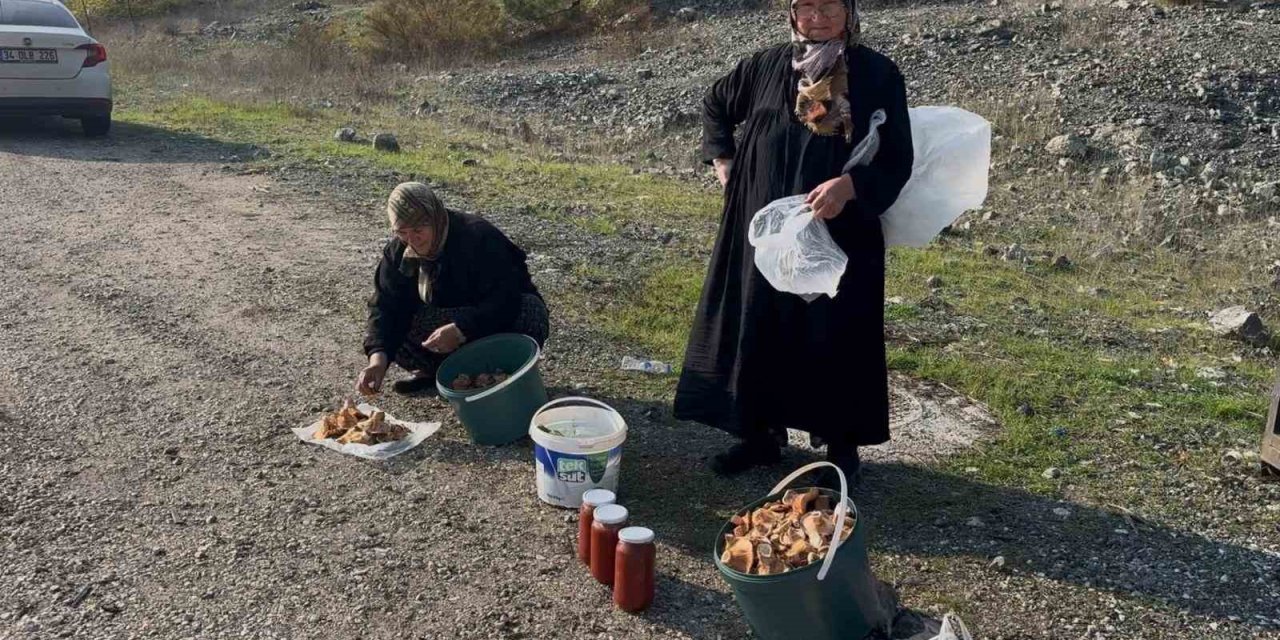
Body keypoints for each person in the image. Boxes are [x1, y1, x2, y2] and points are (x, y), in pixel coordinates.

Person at [673, 0, 914, 484]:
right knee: (759, 320)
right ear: (791, 13)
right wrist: (723, 159)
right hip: (764, 227)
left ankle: (841, 450)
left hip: (839, 230)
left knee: (834, 327)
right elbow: (716, 104)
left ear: (849, 12)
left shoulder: (876, 73)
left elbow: (898, 157)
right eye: (807, 6)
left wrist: (851, 188)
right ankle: (759, 437)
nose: (818, 17)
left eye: (830, 7)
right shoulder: (765, 66)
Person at [356, 182, 548, 396]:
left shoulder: (478, 237)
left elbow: (507, 297)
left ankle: (505, 373)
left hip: (490, 323)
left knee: (530, 309)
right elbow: (385, 306)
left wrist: (462, 329)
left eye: (418, 230)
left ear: (435, 219)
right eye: (402, 232)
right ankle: (444, 373)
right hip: (444, 327)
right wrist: (377, 361)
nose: (412, 239)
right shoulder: (399, 252)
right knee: (396, 331)